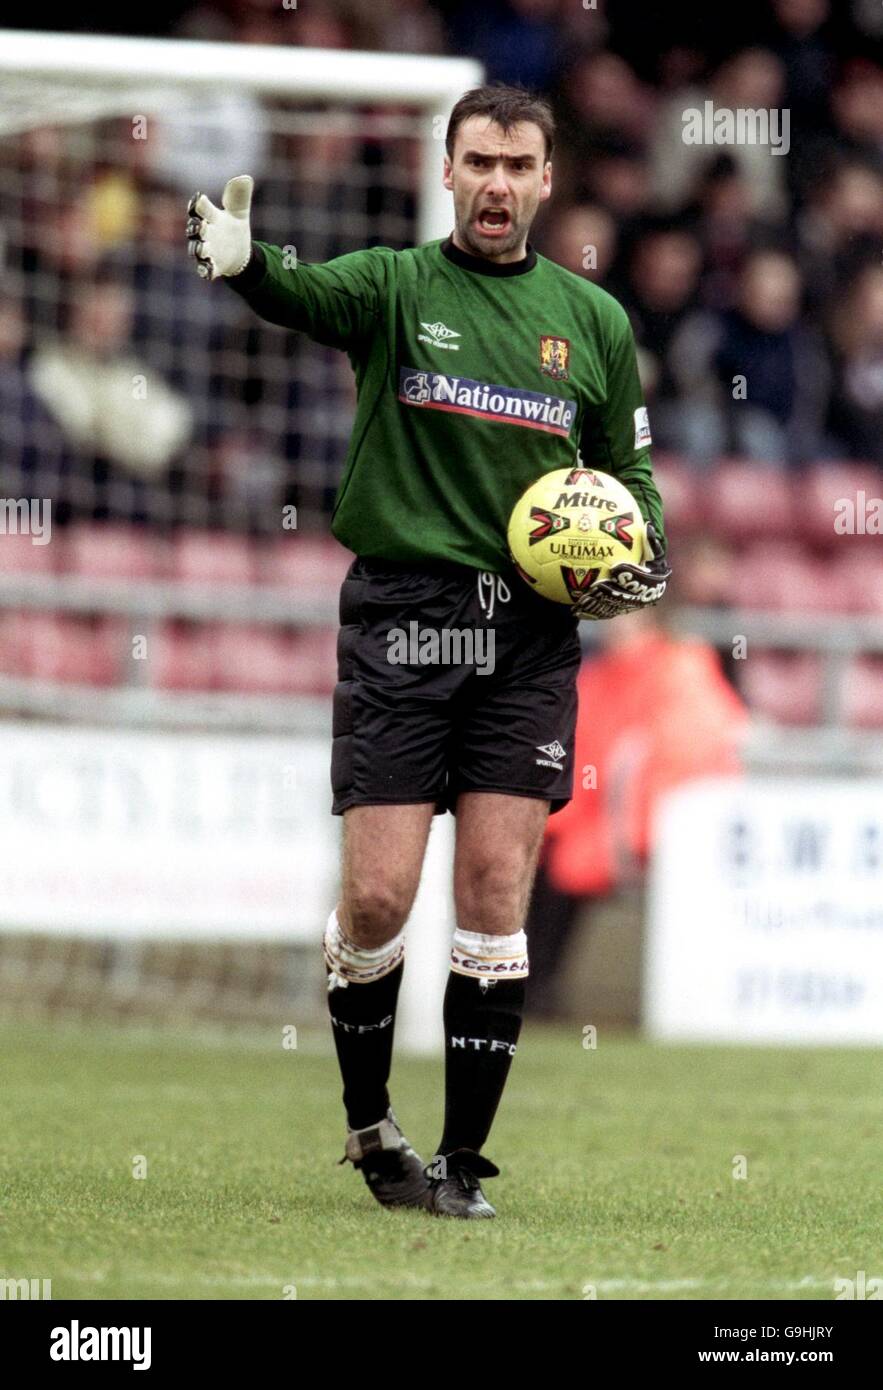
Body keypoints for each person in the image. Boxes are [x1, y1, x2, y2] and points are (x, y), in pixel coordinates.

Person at [185, 83, 669, 1220]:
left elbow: (633, 483)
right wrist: (250, 263)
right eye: (479, 162)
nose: (497, 183)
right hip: (401, 623)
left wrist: (638, 550)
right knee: (376, 898)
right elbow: (299, 291)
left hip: (528, 635)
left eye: (518, 165)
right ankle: (370, 1126)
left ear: (547, 182)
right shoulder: (398, 287)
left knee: (495, 889)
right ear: (448, 172)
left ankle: (463, 1165)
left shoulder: (592, 324)